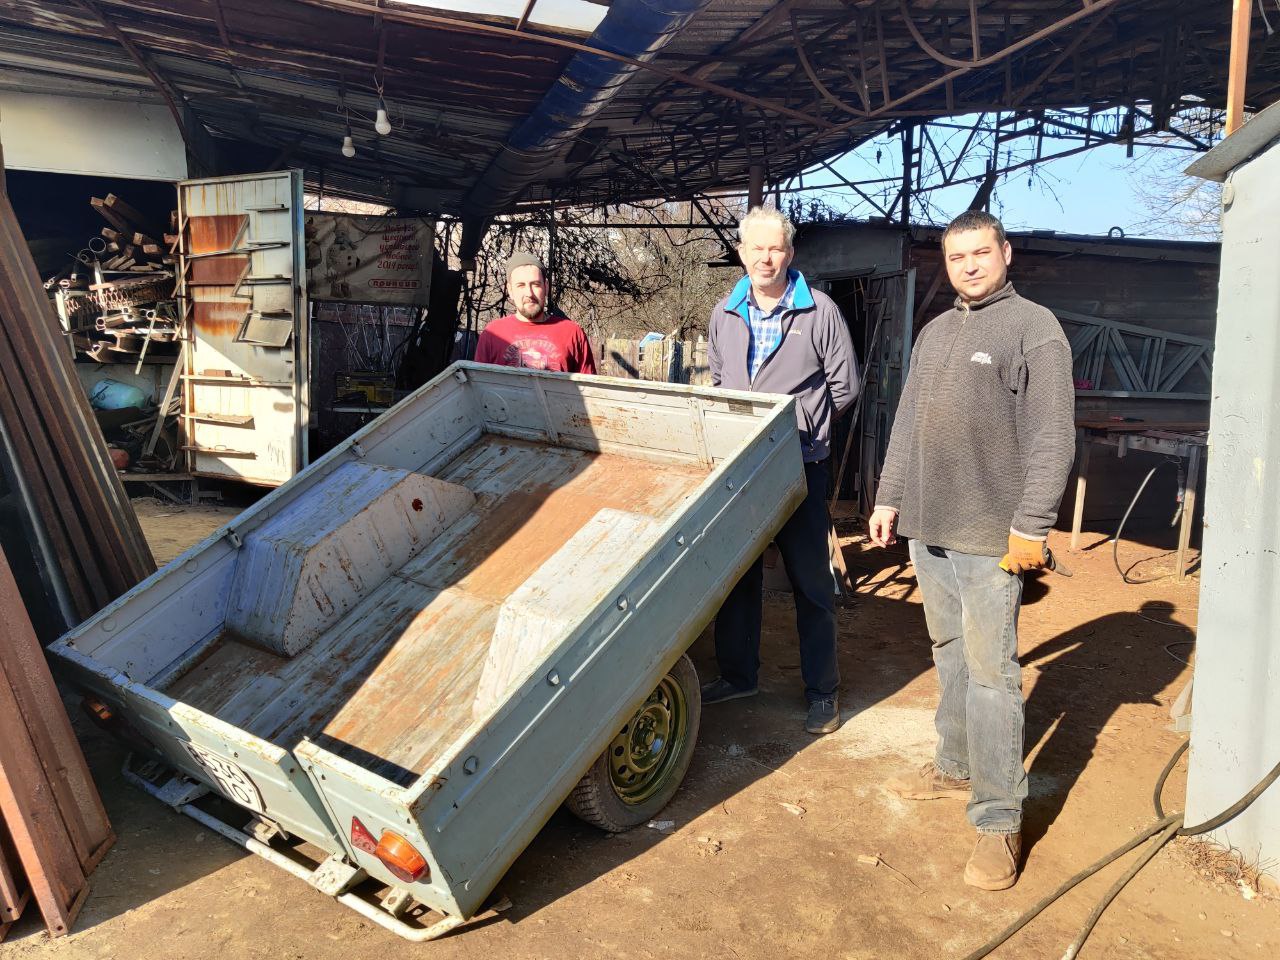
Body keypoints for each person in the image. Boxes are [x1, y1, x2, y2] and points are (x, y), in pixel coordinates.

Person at [869, 210, 1075, 891]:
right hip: (929, 526)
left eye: (981, 253)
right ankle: (954, 766)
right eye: (957, 257)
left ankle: (998, 819)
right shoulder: (934, 331)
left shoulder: (1034, 328)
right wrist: (888, 497)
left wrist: (1032, 524)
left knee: (993, 676)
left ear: (1005, 253)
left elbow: (1052, 435)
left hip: (991, 537)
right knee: (950, 652)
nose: (970, 266)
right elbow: (906, 422)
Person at [702, 206, 859, 735]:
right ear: (741, 253)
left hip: (799, 466)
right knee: (737, 577)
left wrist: (805, 432)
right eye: (756, 248)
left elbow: (845, 387)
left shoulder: (819, 311)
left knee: (811, 582)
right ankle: (737, 675)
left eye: (776, 248)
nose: (766, 258)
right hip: (742, 470)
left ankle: (823, 692)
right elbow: (719, 379)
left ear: (789, 254)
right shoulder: (724, 312)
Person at [475, 252, 597, 373]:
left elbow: (587, 385)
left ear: (546, 287)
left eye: (536, 284)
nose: (529, 293)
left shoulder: (572, 333)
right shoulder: (492, 334)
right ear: (510, 290)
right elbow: (477, 382)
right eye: (521, 285)